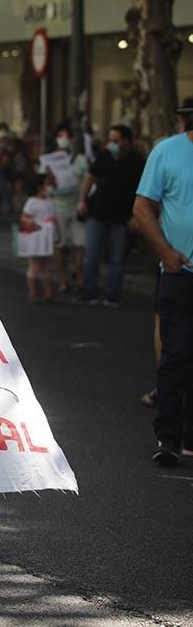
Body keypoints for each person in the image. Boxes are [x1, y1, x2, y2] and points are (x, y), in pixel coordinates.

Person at [134, 101, 193, 466]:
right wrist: (167, 254)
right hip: (181, 273)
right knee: (177, 355)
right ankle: (169, 438)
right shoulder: (167, 151)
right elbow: (142, 207)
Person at [75, 124, 144, 306]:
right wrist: (82, 200)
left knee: (117, 257)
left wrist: (137, 216)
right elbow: (90, 177)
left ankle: (112, 294)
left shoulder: (138, 162)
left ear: (128, 141)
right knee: (92, 254)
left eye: (116, 140)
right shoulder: (104, 157)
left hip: (122, 217)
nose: (112, 144)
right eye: (110, 140)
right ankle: (89, 291)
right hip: (97, 212)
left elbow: (143, 191)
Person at [39, 123, 88, 293]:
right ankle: (64, 280)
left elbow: (89, 180)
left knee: (80, 246)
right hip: (57, 208)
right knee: (61, 246)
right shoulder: (49, 160)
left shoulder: (80, 160)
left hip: (77, 208)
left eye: (66, 135)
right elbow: (42, 185)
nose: (63, 139)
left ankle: (80, 279)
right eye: (60, 136)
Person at [21, 173, 57, 304]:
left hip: (46, 238)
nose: (50, 187)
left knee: (46, 266)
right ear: (39, 187)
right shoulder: (32, 202)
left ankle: (48, 294)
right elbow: (24, 217)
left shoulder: (49, 201)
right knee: (35, 265)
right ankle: (33, 293)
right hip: (36, 238)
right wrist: (33, 223)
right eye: (47, 184)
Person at [0, 122, 16, 213]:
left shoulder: (9, 140)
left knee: (5, 185)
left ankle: (2, 204)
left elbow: (11, 150)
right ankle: (5, 204)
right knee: (3, 185)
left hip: (8, 165)